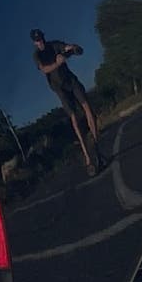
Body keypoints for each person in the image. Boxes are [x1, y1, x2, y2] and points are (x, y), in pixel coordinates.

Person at [32, 29, 103, 175]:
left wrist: (73, 48)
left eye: (41, 39)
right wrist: (57, 63)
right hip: (59, 88)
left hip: (70, 80)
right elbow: (44, 69)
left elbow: (67, 47)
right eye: (38, 40)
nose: (41, 42)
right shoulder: (37, 55)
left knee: (87, 108)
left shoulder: (54, 45)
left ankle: (96, 147)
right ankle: (87, 156)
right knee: (74, 117)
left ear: (44, 37)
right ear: (34, 42)